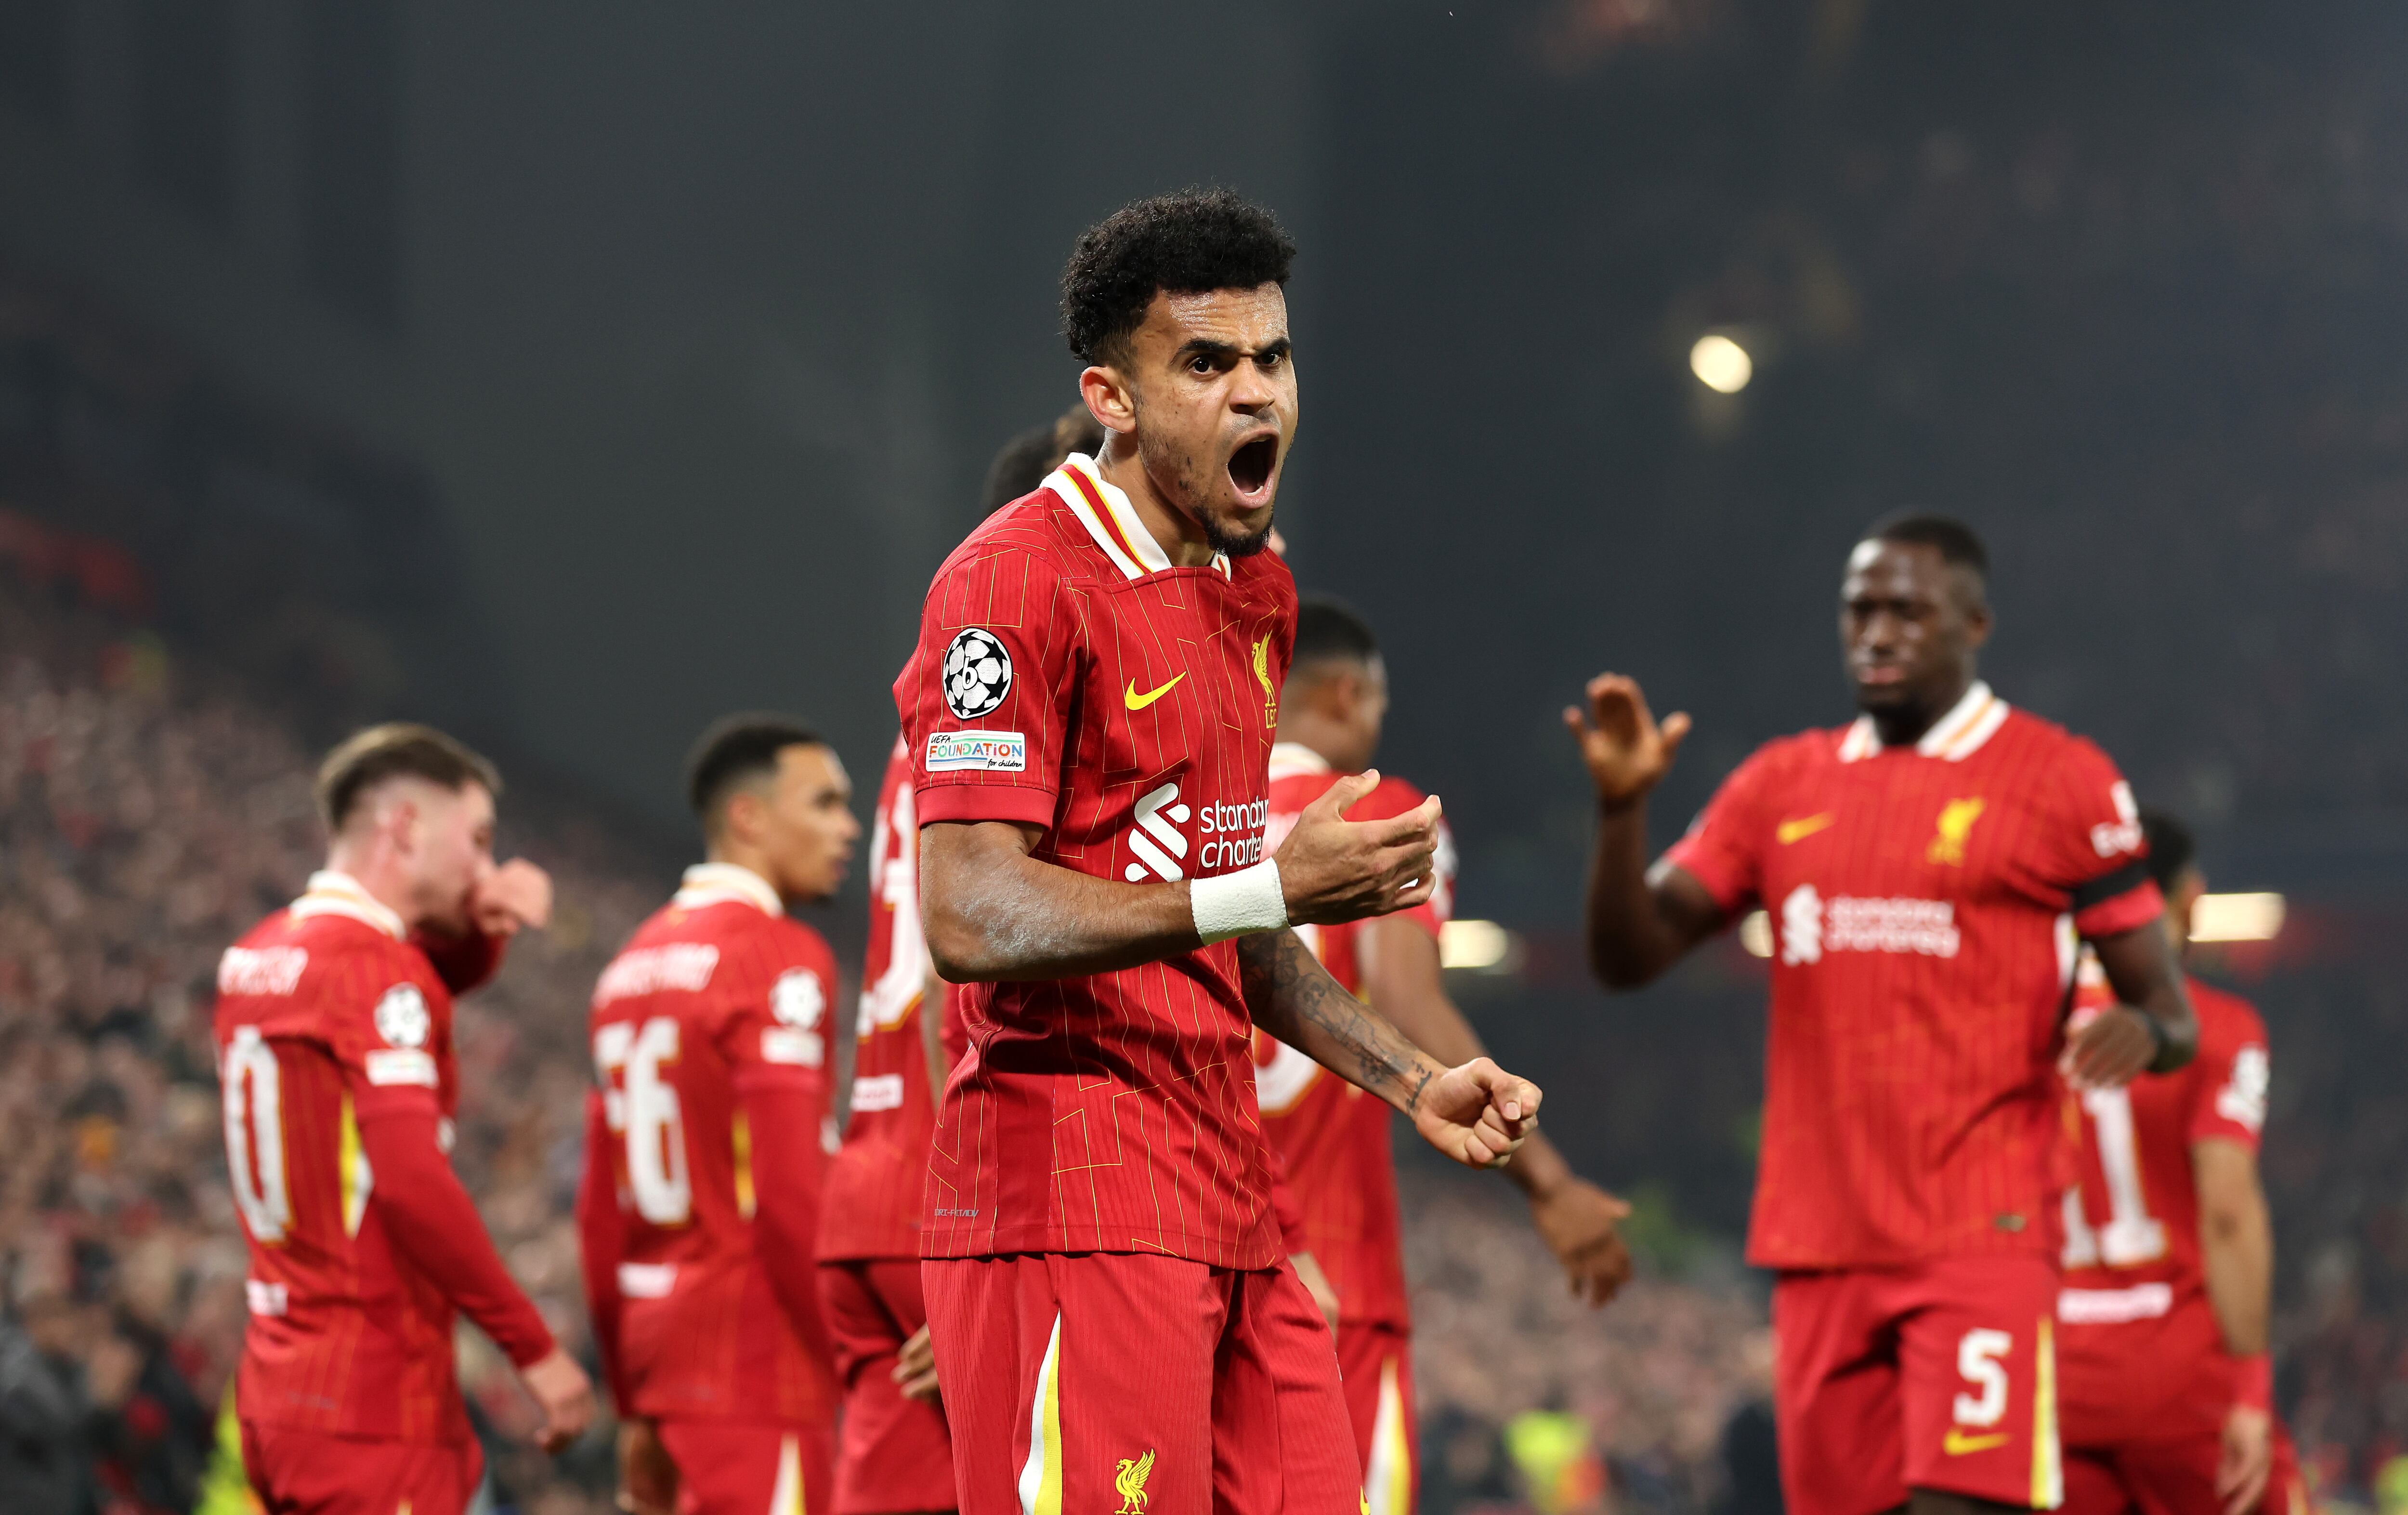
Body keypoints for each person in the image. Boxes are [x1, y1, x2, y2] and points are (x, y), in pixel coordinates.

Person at [903, 188, 1544, 1515]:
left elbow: (1235, 921)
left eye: (1273, 358)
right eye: (1207, 364)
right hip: (1067, 1198)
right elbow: (965, 912)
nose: (1256, 394)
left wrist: (1410, 1078)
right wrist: (1267, 884)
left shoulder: (1254, 593)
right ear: (1115, 395)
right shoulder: (1013, 579)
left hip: (1232, 1194)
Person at [1567, 514, 2199, 1515]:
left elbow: (2172, 1010)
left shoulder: (2061, 779)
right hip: (1818, 1246)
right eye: (1860, 609)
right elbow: (1627, 955)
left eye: (1908, 610)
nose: (1878, 632)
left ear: (1974, 622)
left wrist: (2148, 1032)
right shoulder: (1781, 782)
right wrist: (1619, 815)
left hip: (1979, 1237)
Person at [1257, 594, 1636, 1515]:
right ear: (1348, 695)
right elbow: (1407, 996)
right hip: (1337, 1272)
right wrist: (1549, 1184)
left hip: (1206, 1258)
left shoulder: (1196, 818)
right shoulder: (1378, 811)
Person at [815, 409, 1112, 1515]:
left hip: (874, 1183)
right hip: (972, 1178)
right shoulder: (1041, 709)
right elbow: (977, 970)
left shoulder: (936, 721)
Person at [213, 723, 593, 1515]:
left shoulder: (255, 956)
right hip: (375, 1402)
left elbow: (410, 990)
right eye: (479, 840)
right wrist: (535, 1348)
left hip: (280, 1387)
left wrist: (482, 931)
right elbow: (414, 1182)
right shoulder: (375, 968)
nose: (487, 867)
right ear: (406, 826)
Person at [577, 714, 860, 1515]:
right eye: (825, 802)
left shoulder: (626, 968)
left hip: (660, 1361)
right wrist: (854, 1360)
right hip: (758, 1363)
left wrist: (631, 1398)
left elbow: (601, 1217)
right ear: (750, 816)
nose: (850, 824)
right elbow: (788, 1194)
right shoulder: (778, 957)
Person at [2056, 809, 2310, 1515]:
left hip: (2055, 1377)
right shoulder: (2216, 1028)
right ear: (2188, 895)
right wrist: (2251, 1390)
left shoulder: (2021, 1031)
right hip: (2178, 1375)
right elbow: (2228, 1212)